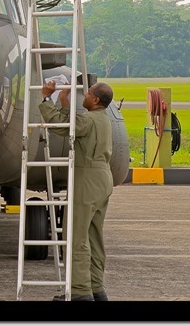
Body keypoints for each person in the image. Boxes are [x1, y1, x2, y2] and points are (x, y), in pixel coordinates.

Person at [39, 79, 114, 302]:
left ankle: (80, 292)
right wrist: (64, 101)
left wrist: (45, 98)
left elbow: (62, 126)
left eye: (88, 94)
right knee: (93, 236)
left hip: (87, 179)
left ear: (96, 100)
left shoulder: (88, 119)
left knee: (75, 235)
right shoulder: (102, 119)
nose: (85, 96)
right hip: (102, 178)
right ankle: (96, 288)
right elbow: (74, 123)